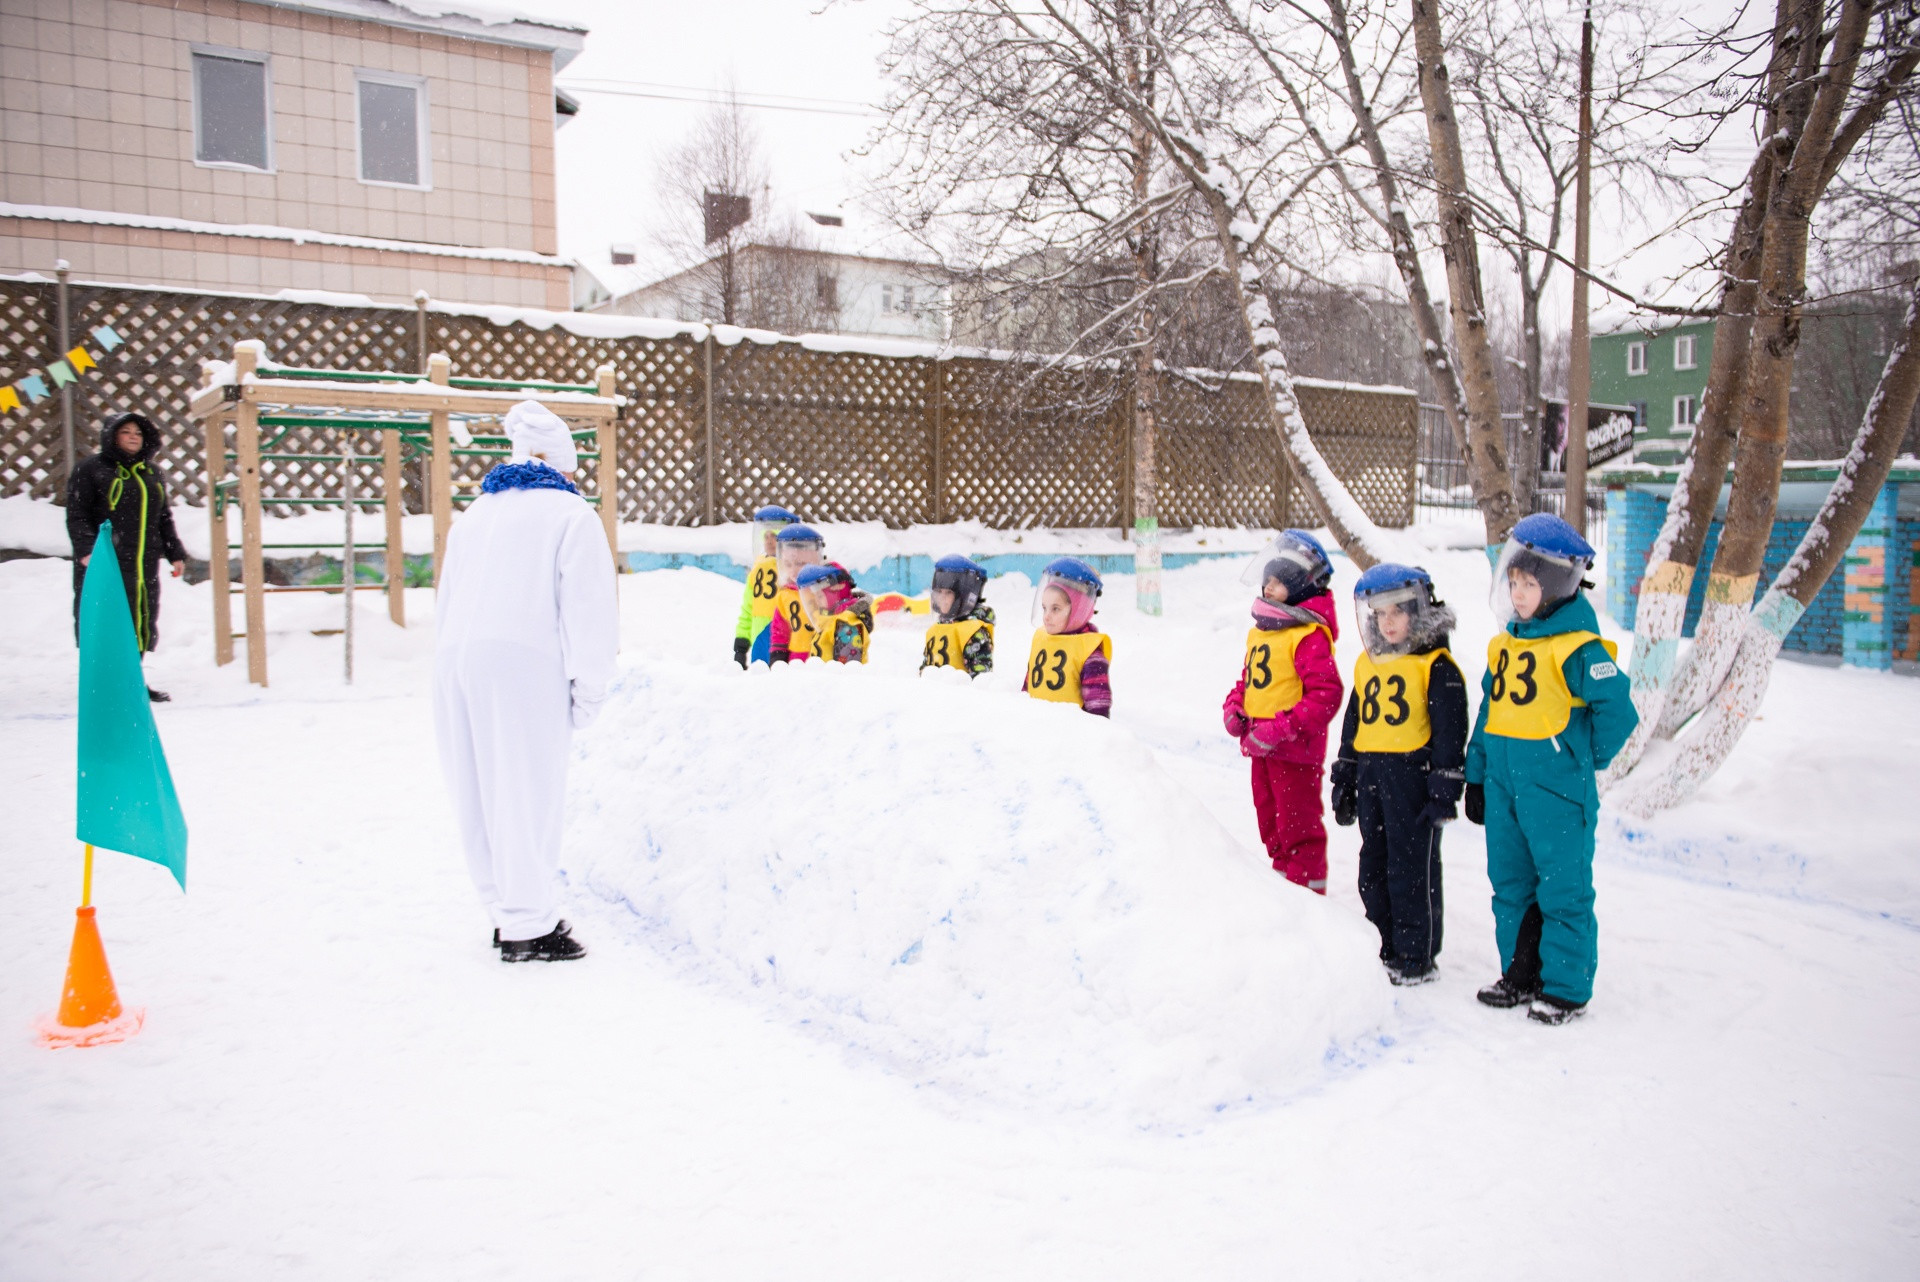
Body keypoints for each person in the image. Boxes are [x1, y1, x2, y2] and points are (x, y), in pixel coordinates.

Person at [433, 400, 618, 964]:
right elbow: (589, 612)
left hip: (455, 659)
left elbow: (445, 597)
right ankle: (527, 925)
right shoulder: (570, 515)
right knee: (526, 789)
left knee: (479, 788)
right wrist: (589, 690)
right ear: (562, 467)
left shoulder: (475, 514)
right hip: (524, 664)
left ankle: (503, 909)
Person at [1464, 513, 1637, 1024]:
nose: (1518, 594)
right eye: (1513, 583)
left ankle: (1564, 986)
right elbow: (1488, 714)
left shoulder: (1579, 648)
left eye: (1530, 584)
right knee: (1511, 882)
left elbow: (1618, 712)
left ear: (1559, 585)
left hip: (1557, 792)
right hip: (1504, 790)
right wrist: (1476, 775)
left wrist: (1585, 759)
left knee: (1563, 888)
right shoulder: (1506, 646)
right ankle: (1520, 973)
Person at [1329, 564, 1469, 983]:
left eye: (1398, 613)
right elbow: (1354, 724)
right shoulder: (1367, 664)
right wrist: (1346, 775)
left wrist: (1445, 785)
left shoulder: (1435, 666)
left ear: (1418, 613)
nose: (1388, 623)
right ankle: (1383, 943)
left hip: (1412, 776)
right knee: (1373, 863)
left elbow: (1450, 729)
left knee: (1411, 867)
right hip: (1373, 774)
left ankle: (1414, 956)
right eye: (1380, 614)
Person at [1221, 530, 1343, 893]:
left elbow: (1326, 695)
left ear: (1300, 587)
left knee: (1298, 828)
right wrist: (1234, 706)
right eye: (1267, 581)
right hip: (1261, 749)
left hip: (1294, 752)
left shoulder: (1307, 635)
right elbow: (1250, 682)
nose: (1269, 588)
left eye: (1278, 582)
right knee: (1271, 824)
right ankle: (1283, 894)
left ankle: (1308, 897)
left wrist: (1281, 728)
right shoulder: (1262, 633)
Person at [65, 413, 189, 702]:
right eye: (126, 432)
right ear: (112, 436)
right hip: (106, 561)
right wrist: (86, 551)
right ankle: (105, 685)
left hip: (143, 563)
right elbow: (77, 514)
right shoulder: (90, 470)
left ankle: (132, 681)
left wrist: (175, 552)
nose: (133, 437)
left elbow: (163, 516)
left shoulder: (152, 473)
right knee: (107, 620)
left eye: (138, 433)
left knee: (140, 619)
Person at [1022, 557, 1111, 716]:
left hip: (1068, 732)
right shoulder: (1042, 640)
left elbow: (1098, 708)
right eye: (1044, 608)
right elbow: (1028, 688)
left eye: (1055, 609)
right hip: (1034, 725)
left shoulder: (1089, 650)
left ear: (1078, 610)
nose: (1046, 617)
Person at [734, 505, 799, 668]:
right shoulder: (757, 570)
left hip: (784, 638)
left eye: (774, 536)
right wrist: (741, 645)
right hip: (758, 640)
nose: (769, 541)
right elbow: (748, 609)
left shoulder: (791, 569)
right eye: (766, 536)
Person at [921, 554, 994, 676]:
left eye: (948, 592)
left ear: (963, 596)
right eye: (939, 592)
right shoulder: (935, 630)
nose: (942, 598)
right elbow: (926, 668)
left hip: (959, 694)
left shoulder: (973, 632)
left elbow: (980, 679)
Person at [766, 524, 826, 663]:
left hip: (822, 657)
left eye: (800, 563)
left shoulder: (823, 591)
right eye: (788, 564)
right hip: (795, 659)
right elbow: (780, 630)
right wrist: (778, 656)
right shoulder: (785, 595)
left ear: (815, 561)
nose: (793, 571)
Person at [797, 561, 874, 663]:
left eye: (820, 596)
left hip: (833, 678)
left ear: (837, 589)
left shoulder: (847, 628)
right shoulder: (828, 622)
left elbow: (846, 672)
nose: (817, 601)